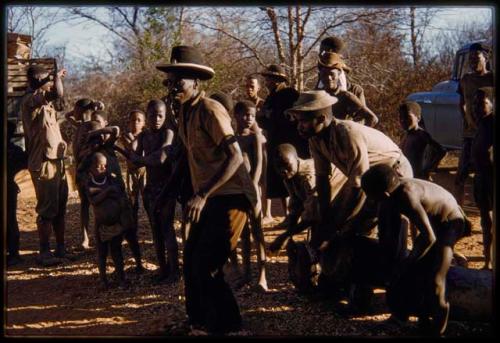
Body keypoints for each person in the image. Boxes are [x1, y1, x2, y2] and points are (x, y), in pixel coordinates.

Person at [157, 45, 258, 333]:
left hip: (232, 197)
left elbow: (236, 156)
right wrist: (165, 195)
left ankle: (230, 325)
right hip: (209, 198)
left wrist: (202, 194)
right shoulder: (184, 113)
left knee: (207, 264)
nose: (174, 86)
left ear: (195, 82)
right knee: (190, 262)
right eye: (170, 80)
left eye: (180, 80)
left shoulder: (210, 110)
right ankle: (198, 322)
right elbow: (187, 158)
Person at [286, 90, 413, 253]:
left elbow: (358, 185)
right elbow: (323, 180)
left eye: (303, 121)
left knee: (384, 223)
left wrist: (337, 224)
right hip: (367, 178)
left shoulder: (348, 133)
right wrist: (325, 218)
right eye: (298, 121)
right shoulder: (315, 139)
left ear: (321, 119)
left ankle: (395, 265)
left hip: (394, 172)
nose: (299, 127)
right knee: (338, 223)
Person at [361, 164, 471, 335]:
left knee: (436, 280)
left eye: (373, 198)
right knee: (416, 271)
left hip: (451, 223)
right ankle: (414, 318)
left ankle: (437, 330)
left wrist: (408, 262)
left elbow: (429, 237)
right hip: (435, 225)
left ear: (384, 195)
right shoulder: (394, 190)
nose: (373, 202)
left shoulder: (406, 196)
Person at [79, 119, 144, 273]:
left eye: (101, 135)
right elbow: (83, 178)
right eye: (95, 137)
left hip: (121, 201)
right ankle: (117, 272)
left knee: (130, 235)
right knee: (111, 244)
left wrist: (95, 133)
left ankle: (139, 263)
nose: (100, 139)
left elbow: (115, 129)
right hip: (105, 209)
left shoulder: (108, 148)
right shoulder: (89, 157)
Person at [21, 64, 69, 266]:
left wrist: (53, 78)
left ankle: (60, 249)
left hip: (56, 161)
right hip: (44, 163)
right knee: (47, 210)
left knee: (59, 208)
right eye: (45, 79)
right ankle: (44, 251)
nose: (49, 82)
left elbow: (59, 100)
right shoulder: (30, 100)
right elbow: (57, 92)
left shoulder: (45, 103)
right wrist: (56, 77)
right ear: (37, 81)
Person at [128, 100, 178, 283]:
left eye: (160, 116)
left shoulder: (168, 133)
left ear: (165, 117)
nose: (156, 119)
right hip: (150, 189)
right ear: (146, 116)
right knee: (155, 231)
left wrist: (141, 159)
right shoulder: (143, 137)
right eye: (152, 115)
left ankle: (174, 271)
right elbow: (132, 158)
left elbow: (161, 158)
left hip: (166, 189)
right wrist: (139, 158)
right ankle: (162, 269)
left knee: (167, 229)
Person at [259, 64, 309, 219]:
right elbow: (265, 120)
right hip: (276, 142)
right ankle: (289, 214)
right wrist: (264, 116)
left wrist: (270, 114)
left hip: (292, 145)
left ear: (276, 80)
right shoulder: (271, 97)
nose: (266, 82)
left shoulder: (290, 94)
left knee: (295, 178)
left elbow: (290, 117)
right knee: (282, 180)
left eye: (268, 79)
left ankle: (303, 213)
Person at [232, 100, 268, 291]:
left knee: (257, 232)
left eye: (252, 116)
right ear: (236, 115)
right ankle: (245, 273)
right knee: (243, 233)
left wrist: (252, 188)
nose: (249, 119)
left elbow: (259, 166)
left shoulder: (255, 138)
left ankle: (262, 275)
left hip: (252, 190)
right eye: (245, 115)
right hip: (236, 191)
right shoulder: (232, 139)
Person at [85, 152, 131, 290]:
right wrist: (107, 191)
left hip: (115, 223)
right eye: (100, 167)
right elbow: (93, 200)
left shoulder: (111, 179)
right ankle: (103, 279)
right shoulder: (89, 183)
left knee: (117, 252)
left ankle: (121, 278)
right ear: (91, 169)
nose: (104, 169)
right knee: (102, 253)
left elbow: (119, 192)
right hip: (101, 225)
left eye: (105, 166)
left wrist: (107, 191)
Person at [455, 42, 493, 206]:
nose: (472, 61)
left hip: (490, 135)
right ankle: (460, 217)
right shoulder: (465, 80)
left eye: (476, 57)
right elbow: (462, 102)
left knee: (488, 175)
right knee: (461, 176)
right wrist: (467, 119)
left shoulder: (492, 79)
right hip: (470, 134)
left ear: (486, 58)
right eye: (470, 58)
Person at [65, 98, 103, 249]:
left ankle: (99, 236)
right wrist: (86, 107)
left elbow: (97, 146)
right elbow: (68, 116)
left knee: (97, 203)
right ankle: (85, 238)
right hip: (80, 169)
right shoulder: (80, 125)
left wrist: (93, 107)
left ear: (82, 110)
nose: (73, 112)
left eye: (76, 109)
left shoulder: (92, 126)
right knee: (84, 205)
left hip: (89, 170)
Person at [317, 52, 378, 127]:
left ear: (339, 75)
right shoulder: (316, 96)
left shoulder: (347, 95)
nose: (328, 78)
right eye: (324, 74)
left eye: (332, 74)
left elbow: (371, 119)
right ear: (320, 76)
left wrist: (350, 130)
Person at [245, 75, 273, 225]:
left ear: (258, 88)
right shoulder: (244, 105)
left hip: (263, 144)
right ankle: (257, 210)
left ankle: (267, 213)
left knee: (264, 179)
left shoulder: (263, 104)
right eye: (247, 86)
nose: (249, 89)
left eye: (252, 86)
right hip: (248, 144)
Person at [471, 87, 494, 269]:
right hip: (481, 180)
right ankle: (487, 261)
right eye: (474, 104)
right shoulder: (480, 126)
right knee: (485, 221)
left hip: (491, 179)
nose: (476, 108)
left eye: (481, 104)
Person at [399, 101, 446, 180]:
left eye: (407, 117)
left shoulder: (421, 134)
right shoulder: (405, 135)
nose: (403, 120)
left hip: (418, 177)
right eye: (400, 117)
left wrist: (428, 169)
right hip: (407, 175)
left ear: (418, 118)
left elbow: (441, 151)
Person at [317, 36, 366, 105]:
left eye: (322, 52)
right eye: (324, 73)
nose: (320, 55)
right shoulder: (318, 92)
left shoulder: (355, 91)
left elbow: (363, 115)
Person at [120, 109, 147, 231]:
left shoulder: (148, 136)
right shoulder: (126, 136)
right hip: (132, 172)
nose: (135, 122)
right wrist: (138, 136)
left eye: (139, 120)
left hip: (145, 171)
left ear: (144, 123)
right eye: (132, 120)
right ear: (128, 123)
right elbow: (133, 148)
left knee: (147, 200)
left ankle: (153, 225)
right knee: (132, 202)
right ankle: (133, 229)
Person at [7, 121, 28, 266]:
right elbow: (25, 163)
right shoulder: (16, 150)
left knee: (10, 220)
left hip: (9, 187)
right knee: (11, 220)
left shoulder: (14, 151)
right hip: (9, 187)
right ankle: (13, 254)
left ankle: (13, 253)